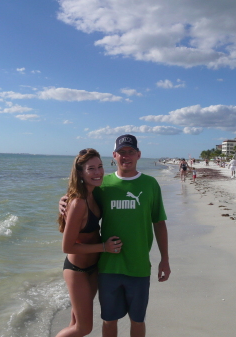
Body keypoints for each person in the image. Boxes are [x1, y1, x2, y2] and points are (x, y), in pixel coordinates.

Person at [60, 135, 170, 337]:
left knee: (138, 321)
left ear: (138, 154)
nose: (126, 156)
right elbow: (80, 198)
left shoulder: (150, 184)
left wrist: (165, 259)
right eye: (122, 152)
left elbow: (159, 223)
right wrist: (63, 201)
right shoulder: (103, 184)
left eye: (130, 152)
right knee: (108, 321)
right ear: (114, 155)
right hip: (107, 266)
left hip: (138, 266)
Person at [56, 149, 123, 337]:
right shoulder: (78, 202)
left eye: (100, 167)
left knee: (75, 322)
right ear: (80, 173)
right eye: (91, 168)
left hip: (93, 268)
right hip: (77, 271)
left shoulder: (95, 193)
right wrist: (104, 247)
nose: (98, 172)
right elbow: (67, 247)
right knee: (83, 328)